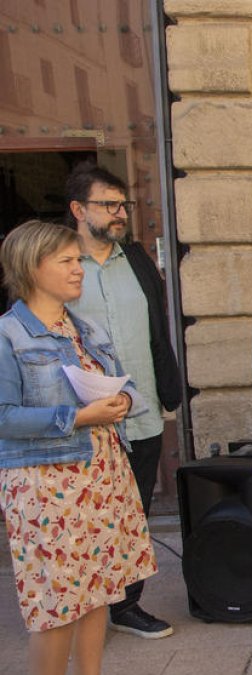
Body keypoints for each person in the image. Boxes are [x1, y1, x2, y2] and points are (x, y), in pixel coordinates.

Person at [0, 220, 157, 675]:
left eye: (77, 260)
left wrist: (124, 400)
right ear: (32, 266)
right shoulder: (10, 334)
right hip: (46, 488)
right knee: (55, 609)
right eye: (66, 261)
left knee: (99, 594)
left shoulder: (83, 327)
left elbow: (126, 386)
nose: (78, 269)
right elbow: (4, 416)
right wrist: (79, 417)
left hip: (102, 477)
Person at [64, 161, 182, 640]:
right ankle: (79, 608)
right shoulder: (59, 262)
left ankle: (126, 605)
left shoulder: (135, 258)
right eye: (108, 205)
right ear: (77, 209)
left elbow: (158, 328)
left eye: (122, 205)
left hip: (142, 410)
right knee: (84, 515)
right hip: (86, 419)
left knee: (133, 515)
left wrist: (168, 392)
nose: (120, 213)